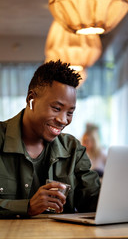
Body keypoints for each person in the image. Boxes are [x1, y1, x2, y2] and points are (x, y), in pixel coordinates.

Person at [0, 60, 100, 218]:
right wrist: (27, 207)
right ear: (31, 99)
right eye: (57, 108)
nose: (63, 120)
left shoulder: (73, 148)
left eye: (70, 112)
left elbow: (94, 201)